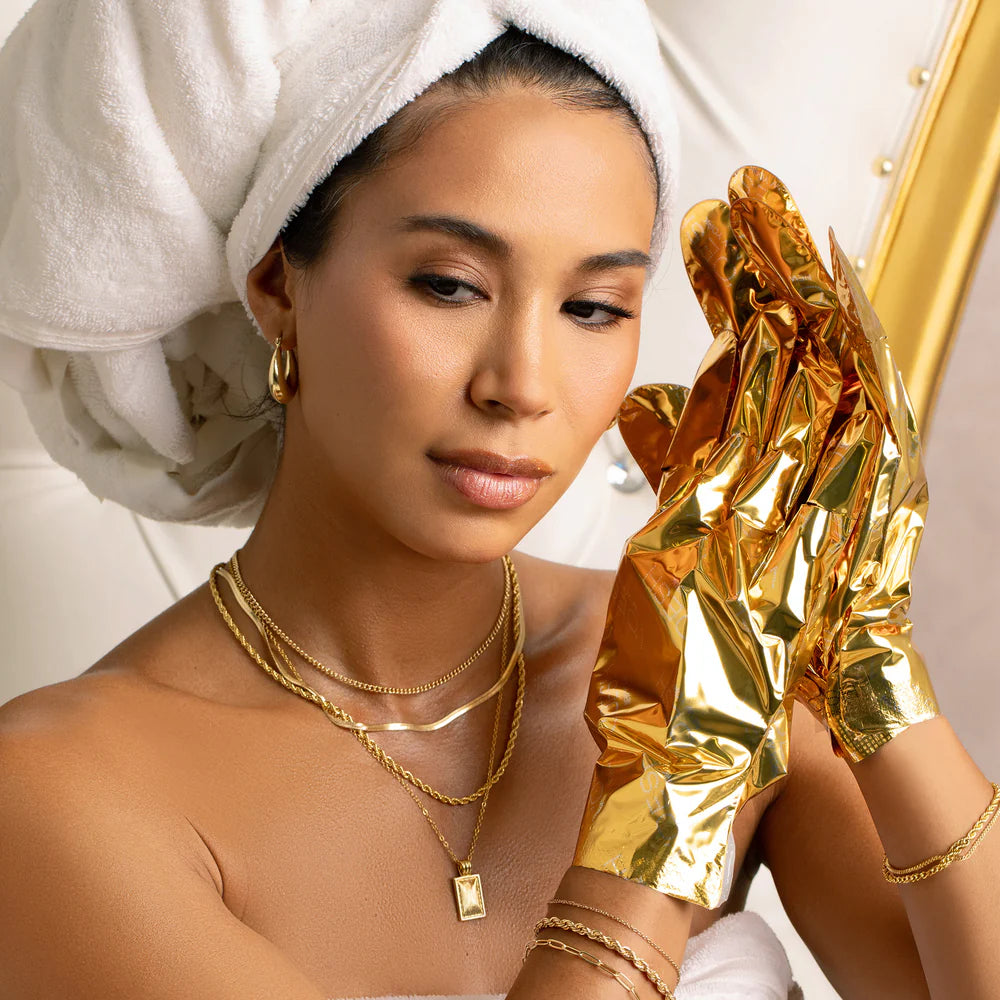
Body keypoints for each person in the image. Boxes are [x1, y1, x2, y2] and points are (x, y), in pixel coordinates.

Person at [0, 3, 997, 999]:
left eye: (592, 308)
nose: (521, 383)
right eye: (448, 285)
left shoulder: (709, 663)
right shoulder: (57, 796)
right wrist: (664, 801)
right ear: (277, 287)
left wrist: (865, 652)